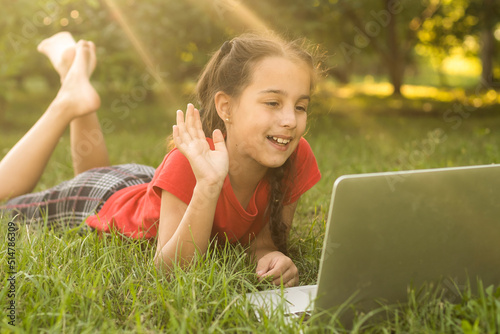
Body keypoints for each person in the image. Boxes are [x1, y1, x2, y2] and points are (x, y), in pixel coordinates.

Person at [0, 32, 321, 287]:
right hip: (104, 200)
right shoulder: (189, 164)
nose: (290, 120)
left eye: (300, 106)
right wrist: (209, 186)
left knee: (98, 170)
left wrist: (271, 256)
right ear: (226, 107)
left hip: (150, 185)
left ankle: (74, 77)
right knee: (4, 202)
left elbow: (261, 243)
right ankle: (67, 101)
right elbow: (168, 273)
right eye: (273, 102)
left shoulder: (294, 155)